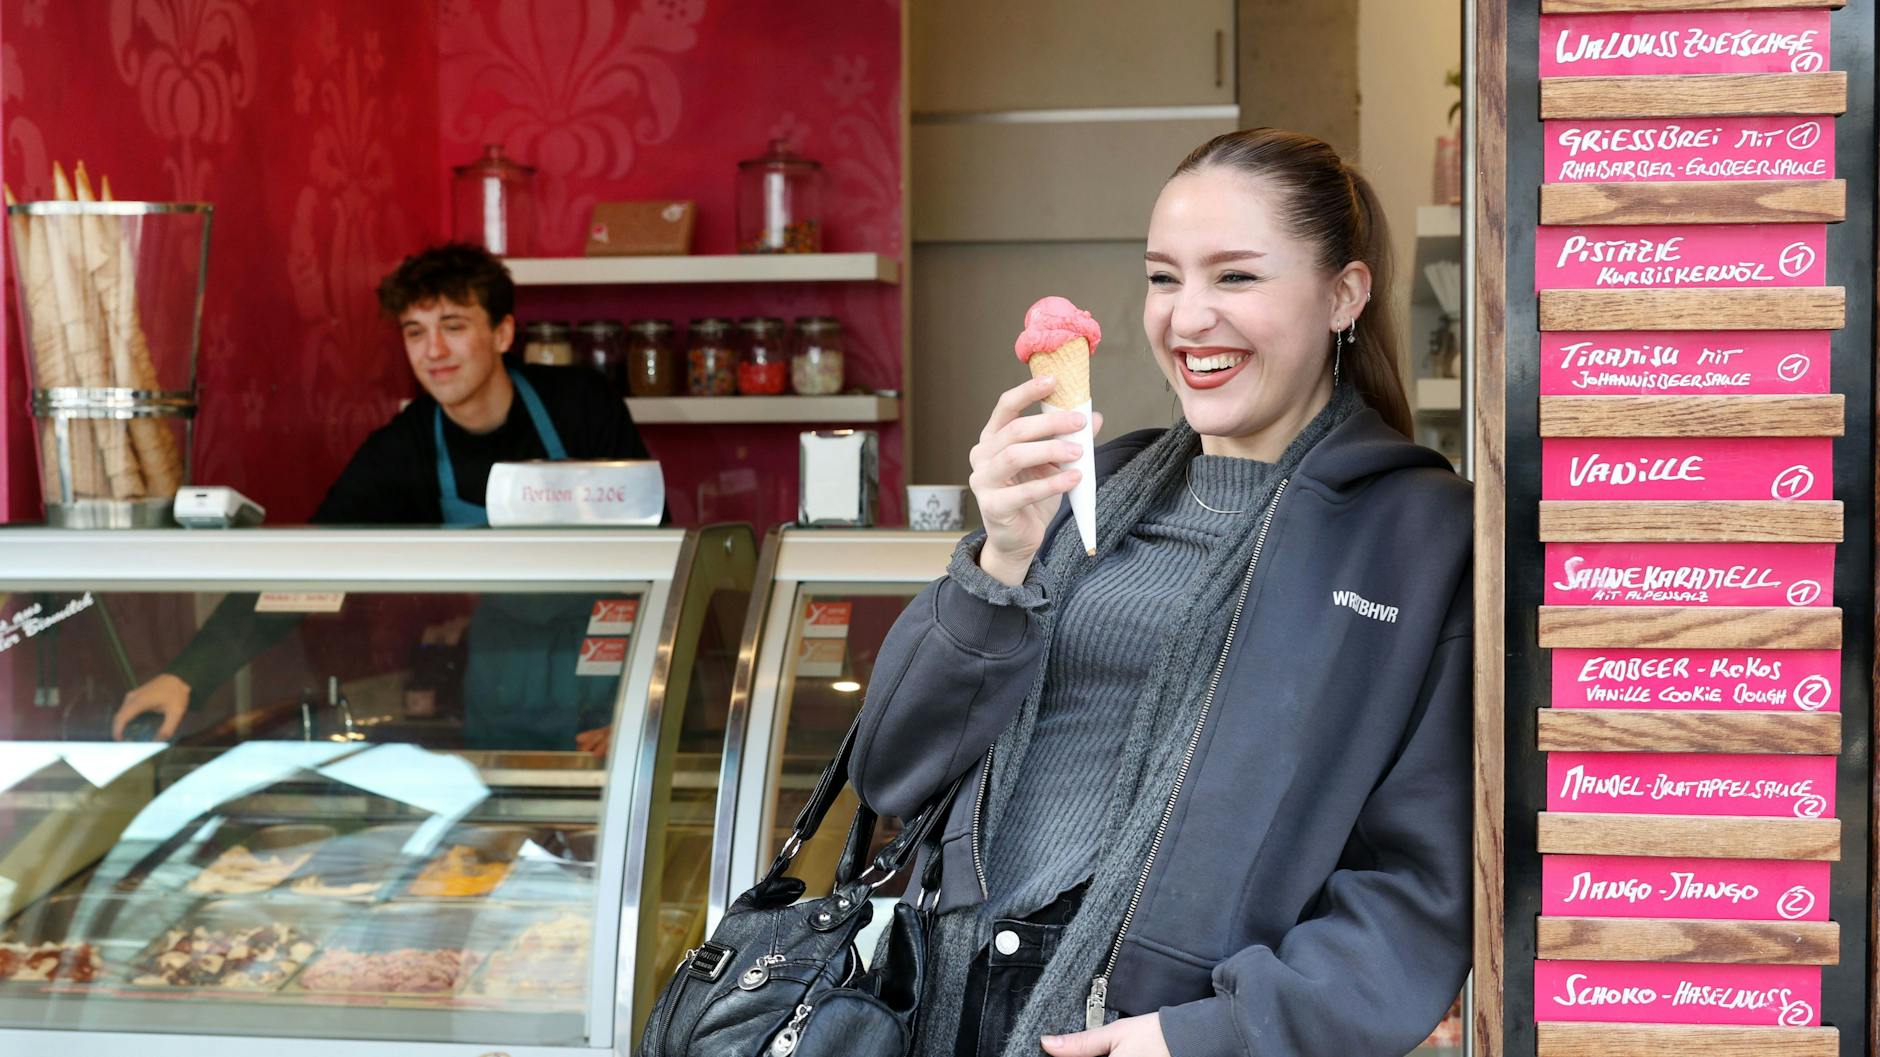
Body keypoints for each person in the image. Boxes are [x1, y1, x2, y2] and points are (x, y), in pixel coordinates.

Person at [850, 129, 1472, 1057]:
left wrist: (1214, 1036)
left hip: (1157, 1025)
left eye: (1235, 278)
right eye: (1163, 277)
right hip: (947, 1001)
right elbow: (892, 771)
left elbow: (1419, 880)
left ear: (1343, 295)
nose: (1187, 320)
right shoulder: (1090, 487)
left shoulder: (1419, 533)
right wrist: (999, 564)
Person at [111, 243, 652, 754]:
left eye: (454, 327)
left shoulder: (582, 407)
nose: (433, 351)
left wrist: (640, 705)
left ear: (503, 332)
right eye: (415, 332)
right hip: (502, 689)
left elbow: (654, 563)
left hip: (609, 678)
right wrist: (187, 676)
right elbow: (306, 566)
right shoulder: (404, 449)